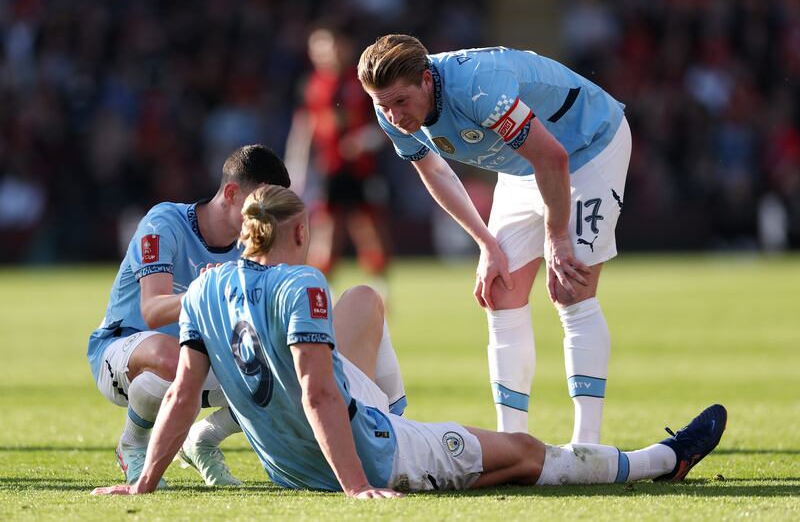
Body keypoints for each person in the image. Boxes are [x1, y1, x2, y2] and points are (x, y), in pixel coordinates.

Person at [91, 185, 726, 498]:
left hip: (290, 469)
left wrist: (145, 482)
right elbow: (317, 392)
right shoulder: (301, 283)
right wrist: (356, 487)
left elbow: (180, 395)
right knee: (528, 453)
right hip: (369, 452)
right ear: (295, 232)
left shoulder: (202, 290)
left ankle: (419, 436)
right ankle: (662, 461)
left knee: (366, 303)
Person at [357, 35, 632, 441]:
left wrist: (556, 237)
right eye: (383, 106)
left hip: (589, 147)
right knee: (499, 291)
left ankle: (586, 446)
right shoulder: (388, 110)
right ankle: (512, 441)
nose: (394, 116)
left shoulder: (478, 87)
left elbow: (553, 157)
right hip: (525, 166)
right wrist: (486, 243)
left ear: (427, 81)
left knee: (570, 288)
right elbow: (434, 172)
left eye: (401, 102)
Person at [86, 144, 291, 488]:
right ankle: (133, 443)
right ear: (230, 193)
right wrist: (207, 292)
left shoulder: (254, 244)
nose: (268, 218)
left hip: (199, 364)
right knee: (173, 356)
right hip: (125, 351)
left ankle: (202, 441)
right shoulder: (165, 223)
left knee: (287, 372)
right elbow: (152, 311)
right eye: (261, 205)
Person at [285, 26, 391, 288]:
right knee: (326, 232)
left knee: (368, 229)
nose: (324, 53)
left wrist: (365, 140)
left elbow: (387, 123)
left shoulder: (363, 81)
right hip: (329, 169)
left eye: (329, 46)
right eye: (317, 47)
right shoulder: (311, 85)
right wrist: (295, 170)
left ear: (343, 46)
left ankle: (380, 292)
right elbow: (303, 130)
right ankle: (321, 293)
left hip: (362, 168)